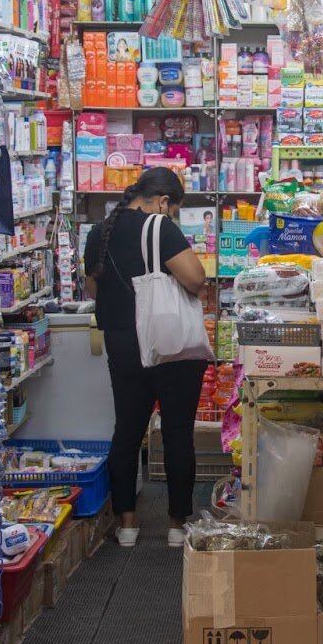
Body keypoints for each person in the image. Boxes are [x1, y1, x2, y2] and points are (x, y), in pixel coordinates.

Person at [83, 167, 210, 548]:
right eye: (172, 209)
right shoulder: (160, 227)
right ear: (164, 201)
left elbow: (93, 286)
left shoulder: (98, 233)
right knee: (176, 431)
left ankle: (127, 525)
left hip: (123, 345)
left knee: (127, 431)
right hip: (169, 344)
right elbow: (195, 278)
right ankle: (176, 525)